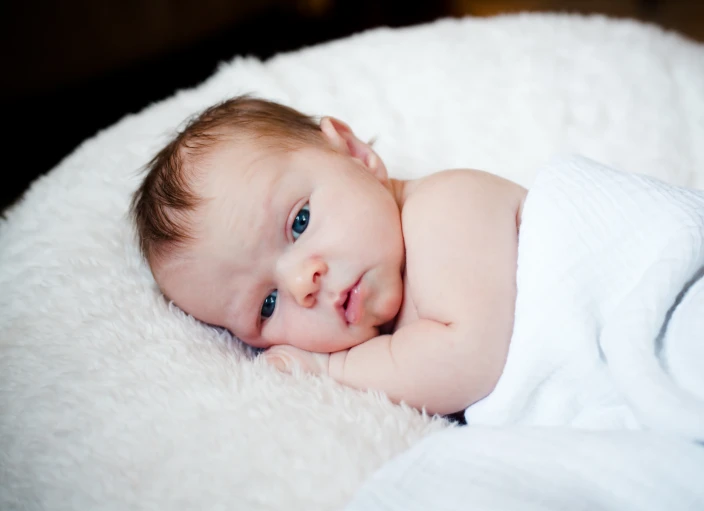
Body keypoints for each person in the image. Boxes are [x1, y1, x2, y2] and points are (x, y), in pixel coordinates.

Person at [131, 95, 527, 415]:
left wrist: (328, 369)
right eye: (267, 305)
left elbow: (469, 359)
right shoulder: (392, 339)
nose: (301, 283)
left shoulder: (447, 206)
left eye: (299, 222)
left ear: (354, 153)